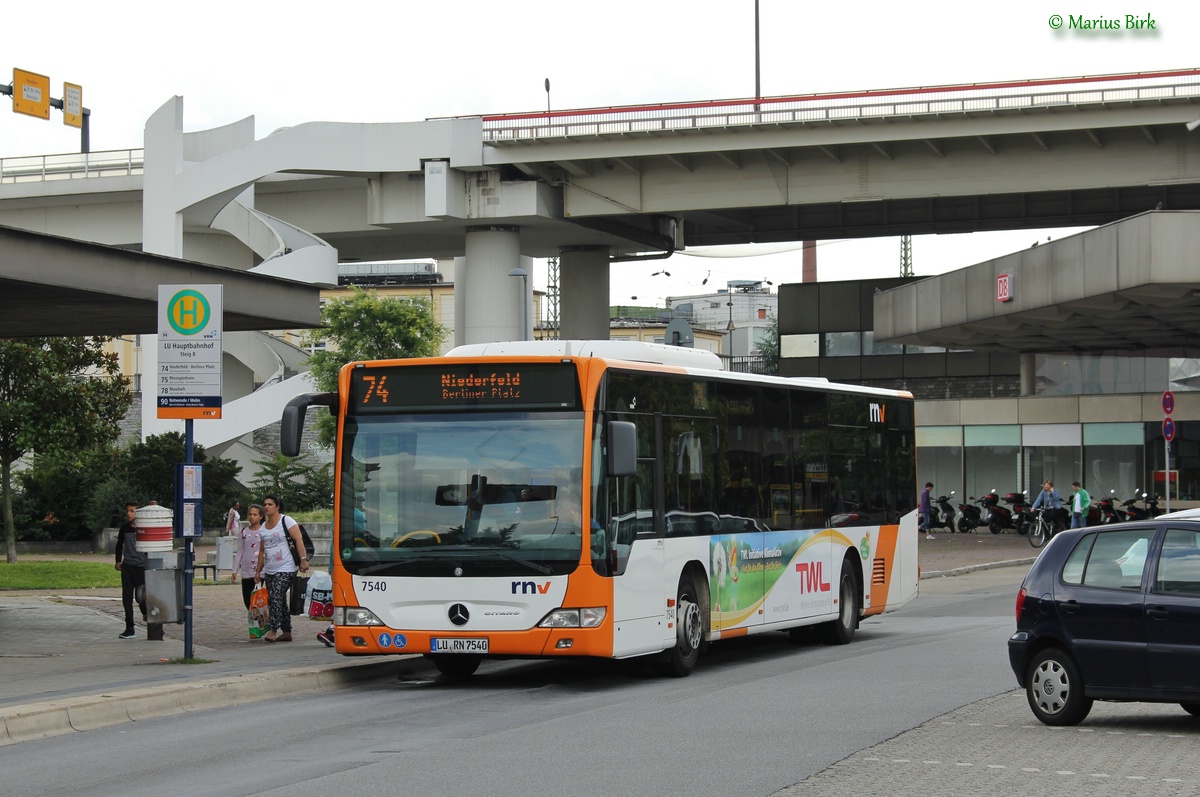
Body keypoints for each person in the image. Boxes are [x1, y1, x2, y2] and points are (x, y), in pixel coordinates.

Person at [254, 494, 309, 642]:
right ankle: (287, 631)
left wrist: (303, 560)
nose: (266, 507)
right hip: (270, 569)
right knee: (280, 599)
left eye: (270, 504)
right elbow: (262, 551)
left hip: (287, 566)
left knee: (275, 596)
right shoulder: (263, 528)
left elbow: (298, 539)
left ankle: (273, 629)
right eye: (265, 504)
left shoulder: (286, 520)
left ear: (277, 506)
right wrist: (258, 571)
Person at [113, 501, 147, 639]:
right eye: (127, 510)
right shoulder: (124, 528)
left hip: (141, 567)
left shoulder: (144, 528)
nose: (128, 513)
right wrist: (118, 561)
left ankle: (149, 618)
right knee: (127, 598)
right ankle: (129, 628)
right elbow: (119, 545)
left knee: (142, 597)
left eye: (132, 511)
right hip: (127, 566)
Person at [230, 503, 263, 610]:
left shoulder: (264, 532)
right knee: (247, 600)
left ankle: (261, 622)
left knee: (258, 599)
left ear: (260, 516)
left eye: (255, 514)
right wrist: (234, 570)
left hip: (260, 571)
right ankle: (254, 622)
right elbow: (240, 551)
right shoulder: (244, 532)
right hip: (246, 570)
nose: (252, 517)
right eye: (250, 514)